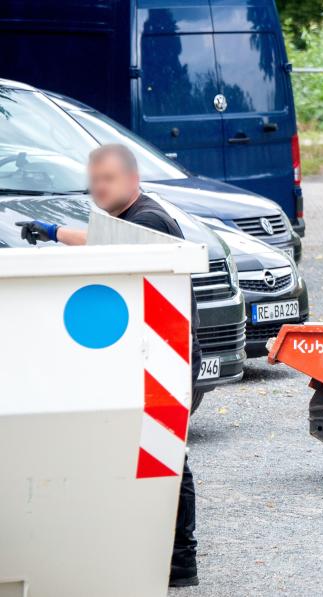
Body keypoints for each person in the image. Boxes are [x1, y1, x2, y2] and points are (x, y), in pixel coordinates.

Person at [17, 144, 201, 587]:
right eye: (94, 180)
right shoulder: (128, 219)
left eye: (109, 179)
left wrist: (55, 231)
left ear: (133, 181)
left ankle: (180, 560)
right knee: (150, 452)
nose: (98, 187)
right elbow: (104, 242)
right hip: (149, 355)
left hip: (166, 355)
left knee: (169, 454)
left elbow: (109, 247)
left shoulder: (150, 221)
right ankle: (153, 552)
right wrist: (53, 231)